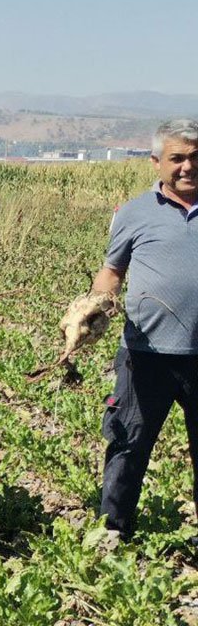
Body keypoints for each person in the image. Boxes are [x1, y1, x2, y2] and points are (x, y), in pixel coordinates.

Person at [96, 119, 198, 539]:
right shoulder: (134, 212)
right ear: (157, 162)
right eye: (177, 158)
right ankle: (113, 532)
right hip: (145, 355)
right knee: (128, 445)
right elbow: (112, 270)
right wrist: (96, 303)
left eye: (195, 157)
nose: (187, 167)